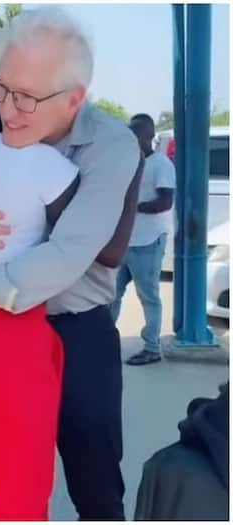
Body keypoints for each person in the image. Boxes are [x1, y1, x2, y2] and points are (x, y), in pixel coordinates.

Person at [0, 7, 142, 520]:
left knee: (96, 487)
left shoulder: (110, 144)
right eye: (4, 89)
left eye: (28, 98)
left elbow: (87, 251)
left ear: (75, 99)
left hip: (73, 329)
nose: (10, 111)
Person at [112, 114, 175, 366]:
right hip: (124, 241)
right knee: (110, 295)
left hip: (148, 241)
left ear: (148, 137)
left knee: (148, 296)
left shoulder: (161, 164)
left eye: (135, 136)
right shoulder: (127, 162)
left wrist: (132, 207)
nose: (131, 141)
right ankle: (104, 339)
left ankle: (152, 347)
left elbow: (165, 201)